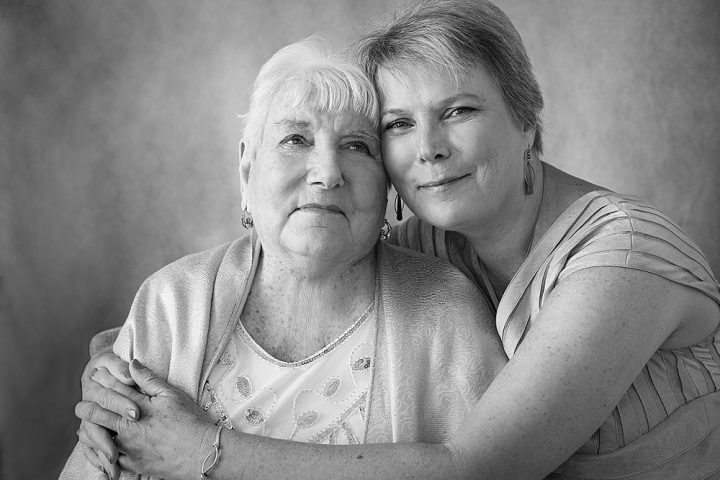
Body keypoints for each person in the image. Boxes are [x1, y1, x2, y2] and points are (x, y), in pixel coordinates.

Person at [73, 1, 720, 478]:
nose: (430, 149)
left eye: (459, 111)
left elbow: (479, 470)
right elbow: (319, 242)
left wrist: (203, 453)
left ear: (526, 119)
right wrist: (119, 365)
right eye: (400, 125)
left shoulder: (620, 257)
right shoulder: (440, 242)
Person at [59, 36, 506, 479]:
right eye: (296, 138)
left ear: (389, 187)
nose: (328, 173)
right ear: (247, 169)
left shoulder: (446, 314)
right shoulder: (173, 302)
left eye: (357, 146)